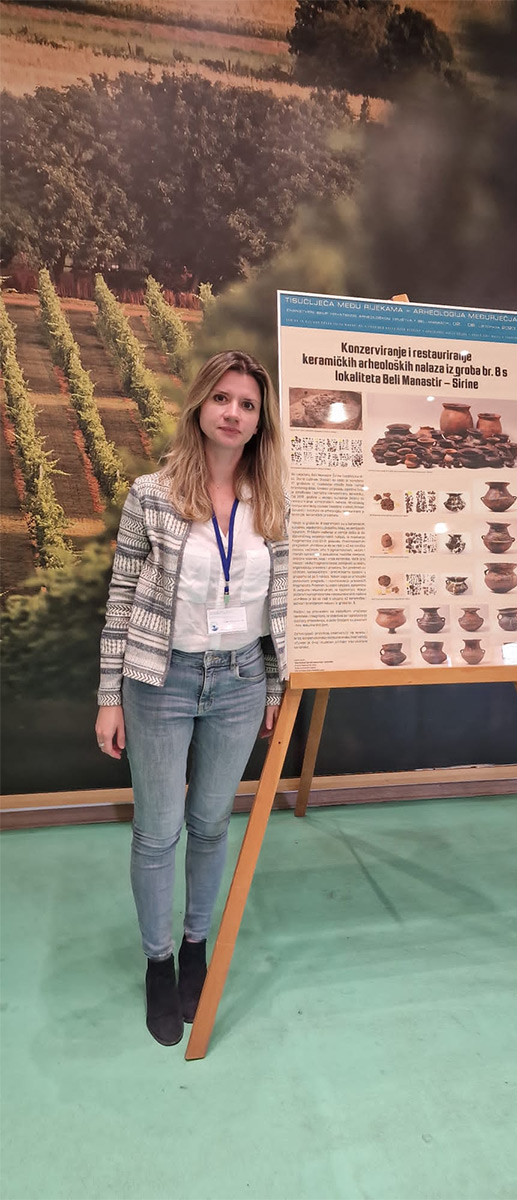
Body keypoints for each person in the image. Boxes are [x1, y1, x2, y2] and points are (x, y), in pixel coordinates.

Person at [95, 350, 288, 1046]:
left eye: (248, 404)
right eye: (223, 399)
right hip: (161, 679)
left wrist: (273, 687)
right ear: (201, 406)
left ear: (260, 421)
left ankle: (196, 945)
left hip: (240, 681)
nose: (233, 413)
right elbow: (121, 596)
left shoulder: (274, 502)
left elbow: (281, 604)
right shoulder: (151, 494)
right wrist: (109, 695)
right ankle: (158, 962)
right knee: (157, 831)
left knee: (210, 824)